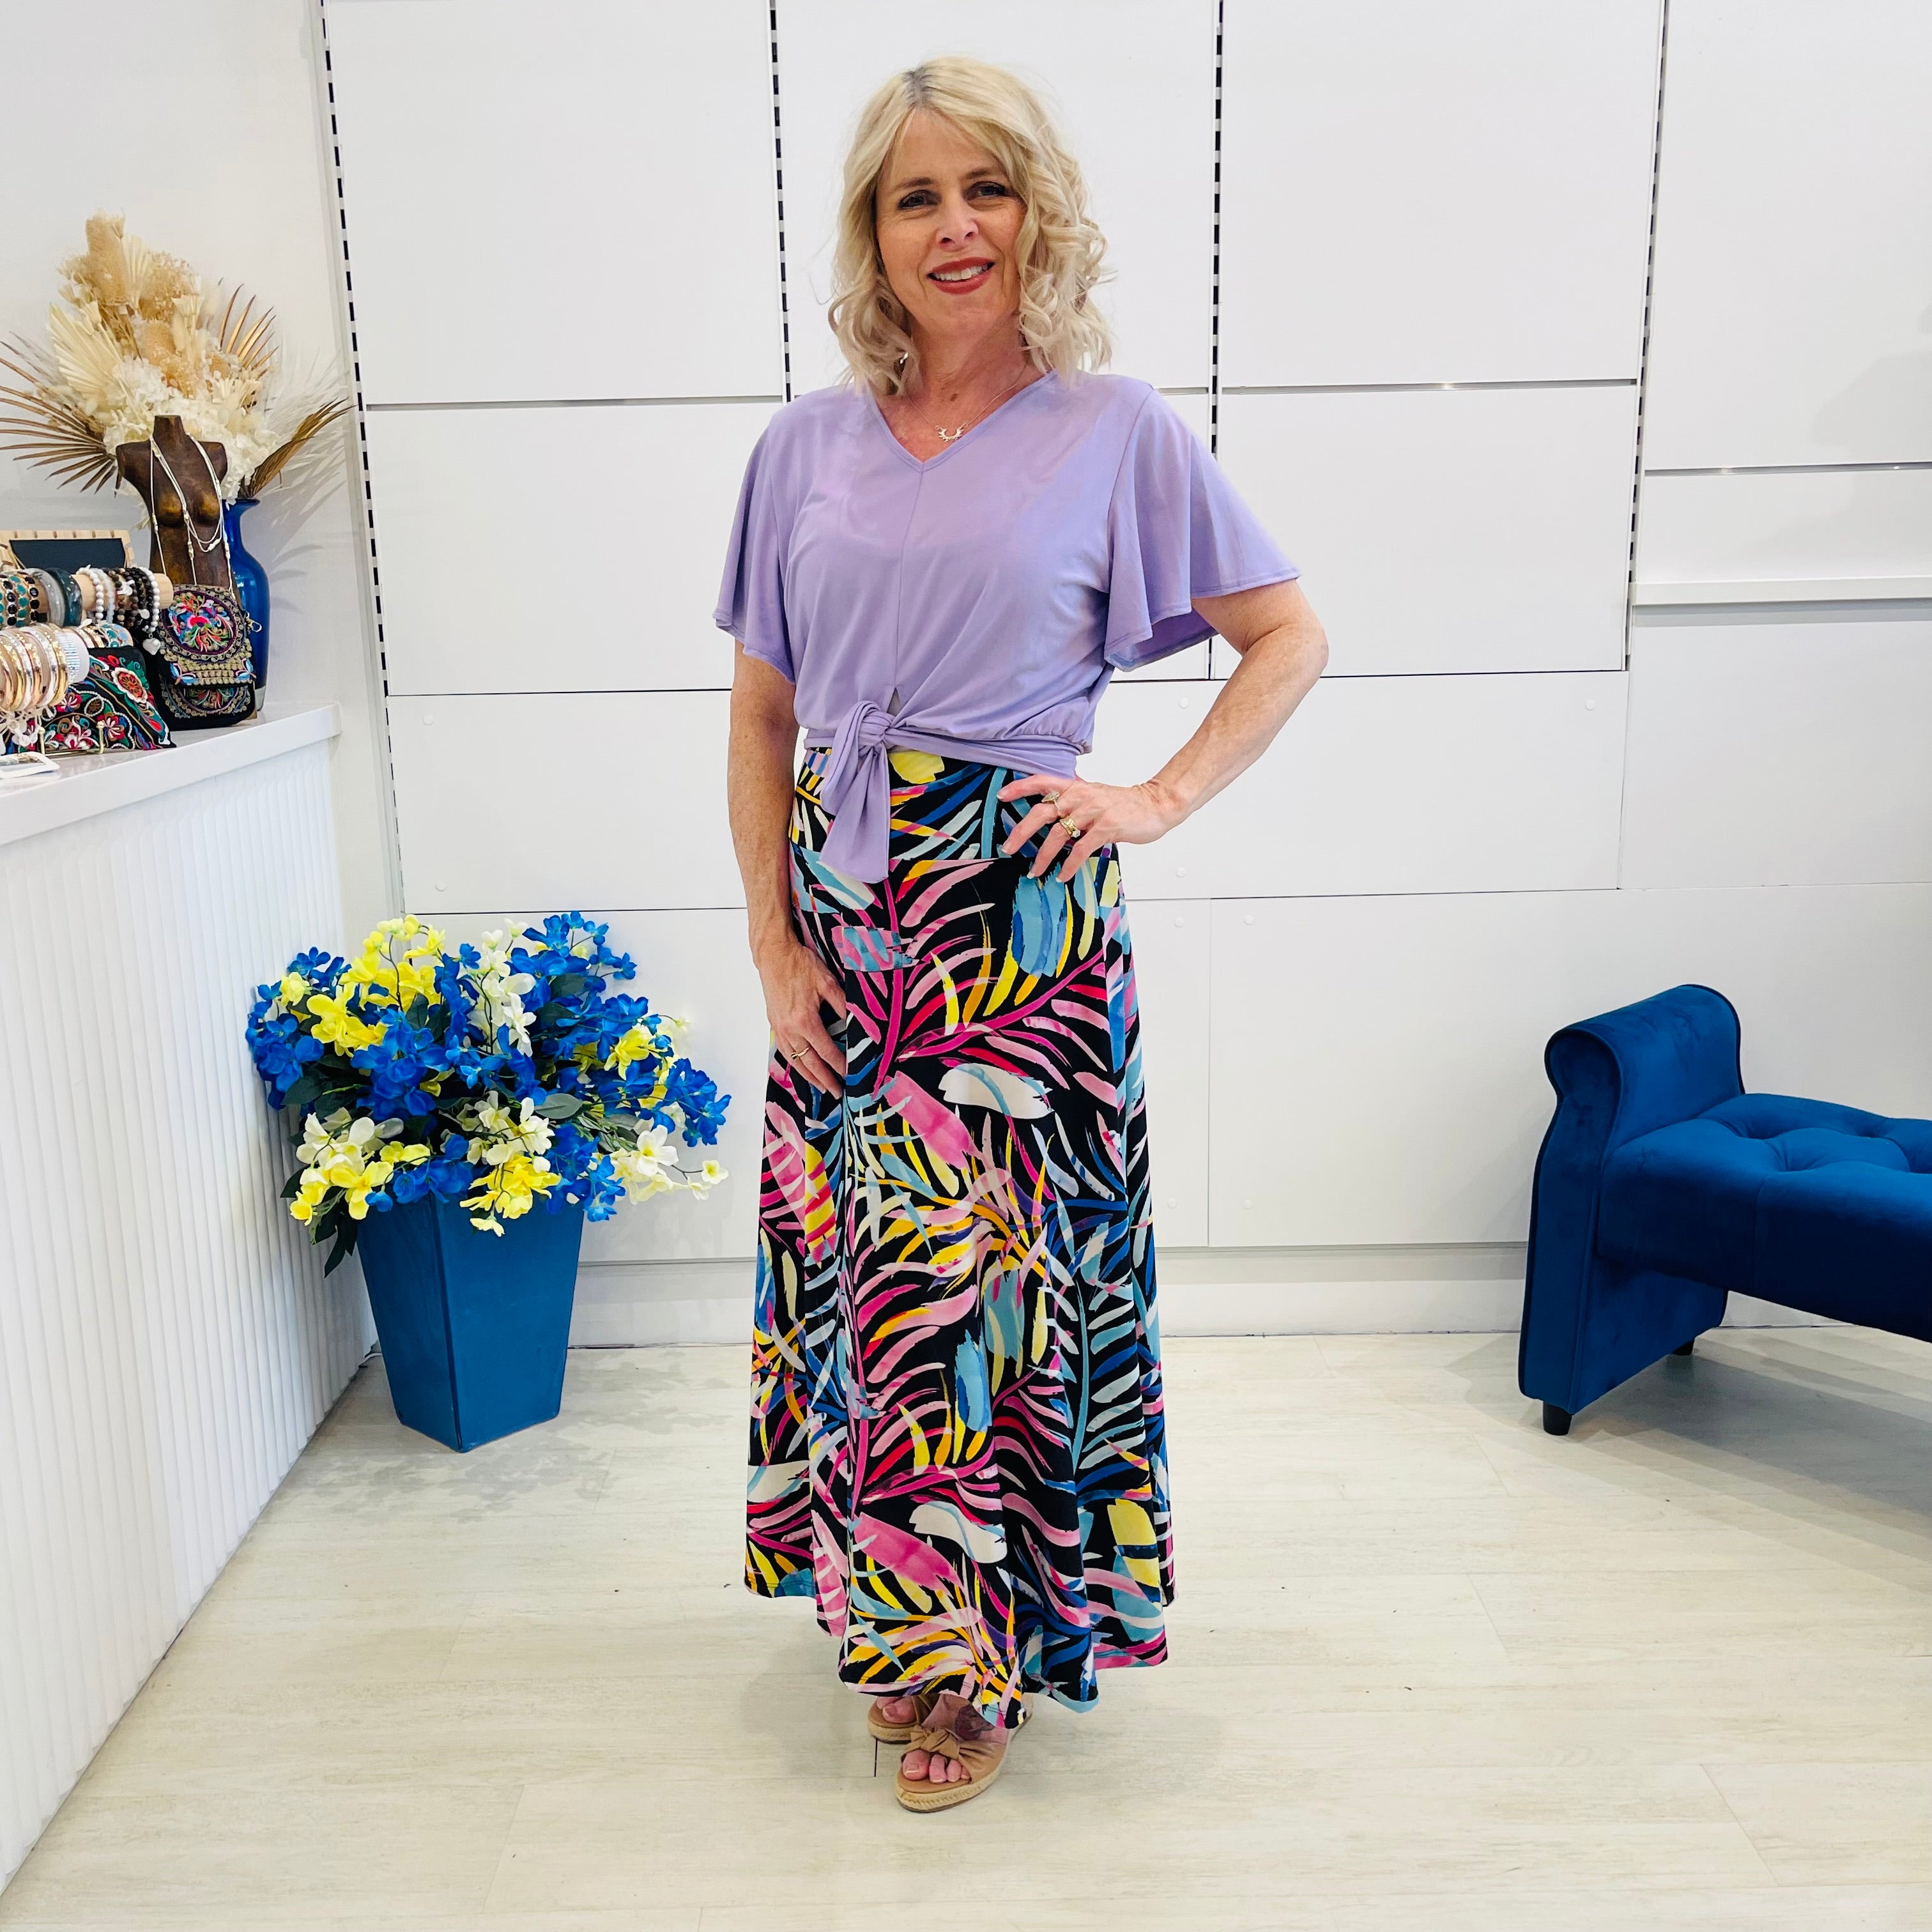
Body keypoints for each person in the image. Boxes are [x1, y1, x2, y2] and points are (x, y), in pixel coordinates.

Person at [717, 54, 1326, 1813]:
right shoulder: (800, 450)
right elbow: (764, 725)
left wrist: (1158, 797)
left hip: (1016, 924)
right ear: (872, 232)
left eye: (985, 189)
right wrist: (771, 947)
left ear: (1034, 212)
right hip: (845, 916)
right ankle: (904, 1626)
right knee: (874, 1295)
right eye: (917, 197)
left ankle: (969, 1668)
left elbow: (1288, 635)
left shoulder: (1116, 431)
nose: (955, 226)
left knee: (990, 1298)